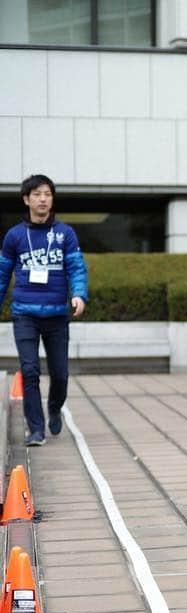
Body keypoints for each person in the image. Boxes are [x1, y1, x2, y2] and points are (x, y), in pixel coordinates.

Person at [0, 175, 88, 446]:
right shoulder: (14, 236)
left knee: (60, 374)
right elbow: (3, 274)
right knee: (30, 371)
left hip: (56, 315)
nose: (42, 199)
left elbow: (76, 267)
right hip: (25, 315)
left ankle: (54, 407)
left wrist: (79, 294)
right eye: (37, 194)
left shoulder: (65, 233)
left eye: (47, 194)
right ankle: (36, 429)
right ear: (26, 199)